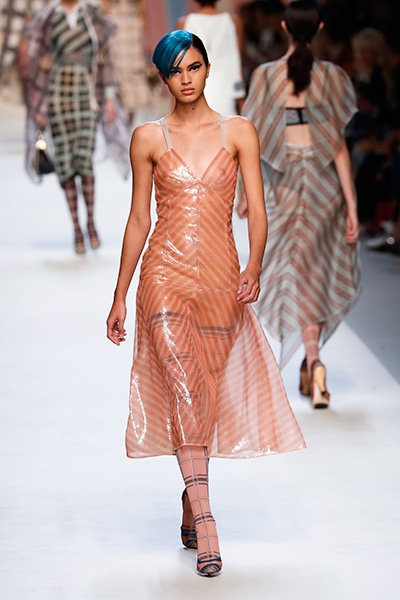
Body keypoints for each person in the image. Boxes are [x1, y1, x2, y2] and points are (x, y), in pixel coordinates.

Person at [106, 30, 305, 577]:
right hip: (163, 276)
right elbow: (139, 220)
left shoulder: (238, 131)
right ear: (163, 79)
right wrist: (120, 294)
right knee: (184, 385)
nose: (186, 79)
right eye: (175, 71)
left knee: (203, 397)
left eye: (193, 67)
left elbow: (257, 209)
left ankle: (190, 498)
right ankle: (210, 520)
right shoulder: (148, 138)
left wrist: (254, 266)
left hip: (221, 281)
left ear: (208, 68)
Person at [239, 0, 361, 409]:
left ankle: (312, 360)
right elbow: (338, 146)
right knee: (316, 273)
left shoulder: (265, 76)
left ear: (283, 26)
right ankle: (313, 362)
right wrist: (352, 205)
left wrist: (243, 192)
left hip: (285, 185)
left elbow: (249, 139)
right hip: (326, 187)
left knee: (298, 274)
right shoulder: (333, 77)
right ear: (320, 28)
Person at [24, 0, 130, 255]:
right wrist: (39, 104)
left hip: (87, 95)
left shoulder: (92, 14)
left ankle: (91, 223)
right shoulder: (50, 17)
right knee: (65, 162)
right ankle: (76, 228)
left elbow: (104, 58)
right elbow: (40, 61)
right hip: (58, 96)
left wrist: (110, 97)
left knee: (84, 160)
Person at [175, 0, 245, 115]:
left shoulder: (183, 23)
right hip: (226, 93)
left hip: (194, 91)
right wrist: (241, 100)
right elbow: (236, 65)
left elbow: (179, 67)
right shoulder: (234, 22)